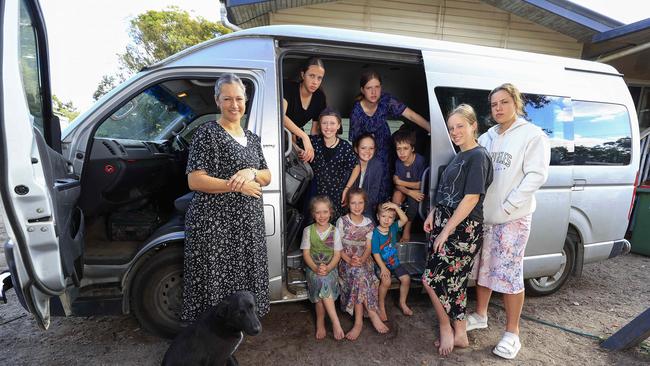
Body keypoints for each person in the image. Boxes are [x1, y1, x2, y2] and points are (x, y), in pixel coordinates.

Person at [466, 83, 550, 360]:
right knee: (484, 269)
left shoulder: (532, 135)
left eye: (504, 102)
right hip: (486, 217)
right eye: (494, 104)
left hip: (513, 218)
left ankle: (512, 333)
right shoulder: (488, 136)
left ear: (516, 102)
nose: (498, 108)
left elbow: (536, 176)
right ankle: (480, 315)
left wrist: (509, 204)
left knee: (510, 275)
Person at [182, 73, 272, 322]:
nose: (234, 105)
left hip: (246, 226)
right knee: (216, 285)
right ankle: (213, 337)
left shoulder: (252, 138)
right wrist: (237, 186)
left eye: (239, 98)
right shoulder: (207, 134)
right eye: (228, 99)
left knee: (243, 281)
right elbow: (195, 180)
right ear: (217, 101)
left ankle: (237, 330)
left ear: (246, 101)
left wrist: (251, 172)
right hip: (216, 226)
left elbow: (266, 176)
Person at [421, 104, 493, 356]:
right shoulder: (459, 156)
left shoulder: (478, 156)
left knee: (430, 279)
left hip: (462, 228)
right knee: (455, 283)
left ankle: (445, 327)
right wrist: (433, 213)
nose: (455, 131)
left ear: (474, 126)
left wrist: (445, 231)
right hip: (446, 221)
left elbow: (471, 198)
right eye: (451, 128)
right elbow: (448, 194)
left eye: (460, 126)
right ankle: (461, 333)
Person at [349, 70, 431, 193]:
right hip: (368, 152)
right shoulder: (356, 111)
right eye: (369, 88)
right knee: (370, 184)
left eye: (377, 87)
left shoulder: (386, 100)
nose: (373, 92)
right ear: (362, 90)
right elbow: (355, 142)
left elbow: (411, 115)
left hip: (387, 146)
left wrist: (432, 129)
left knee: (389, 181)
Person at [336, 187, 390, 340]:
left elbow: (368, 247)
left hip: (364, 260)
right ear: (347, 204)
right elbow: (337, 247)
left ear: (365, 204)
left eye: (360, 203)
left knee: (362, 274)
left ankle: (359, 322)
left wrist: (362, 259)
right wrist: (349, 260)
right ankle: (372, 314)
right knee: (358, 275)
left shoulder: (369, 223)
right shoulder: (342, 221)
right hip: (346, 261)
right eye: (353, 203)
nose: (357, 206)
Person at [301, 195, 344, 340]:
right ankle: (330, 321)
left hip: (330, 268)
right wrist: (315, 268)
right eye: (318, 212)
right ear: (313, 214)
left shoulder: (335, 232)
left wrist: (328, 268)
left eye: (325, 212)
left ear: (331, 212)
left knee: (323, 282)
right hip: (313, 268)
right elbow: (306, 254)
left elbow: (337, 255)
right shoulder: (308, 231)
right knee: (320, 281)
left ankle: (326, 322)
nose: (322, 216)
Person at [306, 108, 357, 221]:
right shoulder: (313, 142)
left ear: (339, 125)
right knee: (313, 228)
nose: (328, 127)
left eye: (332, 123)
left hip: (336, 195)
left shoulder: (345, 147)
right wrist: (302, 144)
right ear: (319, 125)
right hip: (315, 194)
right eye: (324, 123)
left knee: (334, 230)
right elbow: (293, 140)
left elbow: (356, 166)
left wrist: (347, 188)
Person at [370, 202, 412, 320]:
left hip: (394, 262)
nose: (387, 220)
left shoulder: (393, 227)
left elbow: (404, 219)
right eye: (383, 216)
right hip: (380, 264)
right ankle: (381, 305)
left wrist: (395, 207)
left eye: (390, 217)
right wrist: (383, 267)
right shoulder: (375, 233)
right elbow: (376, 252)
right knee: (386, 282)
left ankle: (402, 303)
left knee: (406, 279)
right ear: (378, 217)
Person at [283, 57, 327, 162]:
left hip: (295, 137)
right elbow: (281, 117)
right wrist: (304, 137)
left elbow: (315, 129)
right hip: (278, 133)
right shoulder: (288, 87)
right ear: (303, 75)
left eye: (319, 78)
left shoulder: (319, 97)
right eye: (311, 76)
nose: (315, 82)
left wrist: (311, 149)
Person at [341, 133, 389, 220]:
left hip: (367, 207)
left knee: (369, 229)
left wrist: (360, 207)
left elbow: (374, 193)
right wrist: (351, 205)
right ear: (356, 149)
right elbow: (342, 187)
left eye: (371, 148)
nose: (367, 151)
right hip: (347, 206)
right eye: (363, 148)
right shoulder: (350, 162)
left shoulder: (377, 165)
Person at [392, 129, 427, 242]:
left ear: (412, 148)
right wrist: (409, 191)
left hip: (417, 190)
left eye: (405, 148)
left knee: (413, 206)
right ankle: (393, 228)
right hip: (407, 190)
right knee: (396, 198)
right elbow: (396, 185)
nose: (402, 153)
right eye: (399, 149)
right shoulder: (398, 162)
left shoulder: (420, 161)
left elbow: (421, 184)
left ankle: (406, 231)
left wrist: (400, 183)